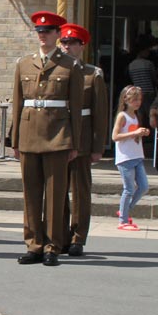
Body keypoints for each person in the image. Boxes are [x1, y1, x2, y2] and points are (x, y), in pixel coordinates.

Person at [12, 11, 83, 267]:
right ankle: (34, 244)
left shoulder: (70, 65)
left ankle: (53, 245)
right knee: (31, 193)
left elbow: (75, 107)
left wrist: (75, 142)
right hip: (29, 134)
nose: (43, 35)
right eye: (39, 32)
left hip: (58, 135)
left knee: (55, 195)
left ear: (57, 34)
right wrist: (15, 140)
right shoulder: (24, 63)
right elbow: (18, 104)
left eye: (48, 31)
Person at [58, 24, 109, 256]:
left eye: (72, 43)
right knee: (57, 189)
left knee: (79, 190)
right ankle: (60, 235)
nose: (67, 47)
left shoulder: (92, 73)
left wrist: (98, 146)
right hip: (57, 137)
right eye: (64, 42)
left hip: (82, 139)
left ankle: (78, 236)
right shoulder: (55, 71)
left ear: (82, 46)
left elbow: (100, 113)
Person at [114, 85, 150, 230]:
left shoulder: (135, 116)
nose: (138, 102)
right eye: (135, 99)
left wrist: (142, 132)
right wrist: (135, 134)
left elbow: (132, 134)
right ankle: (123, 220)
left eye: (139, 99)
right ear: (126, 99)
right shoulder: (122, 116)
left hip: (137, 156)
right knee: (128, 188)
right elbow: (115, 136)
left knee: (143, 186)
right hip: (125, 157)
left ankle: (124, 211)